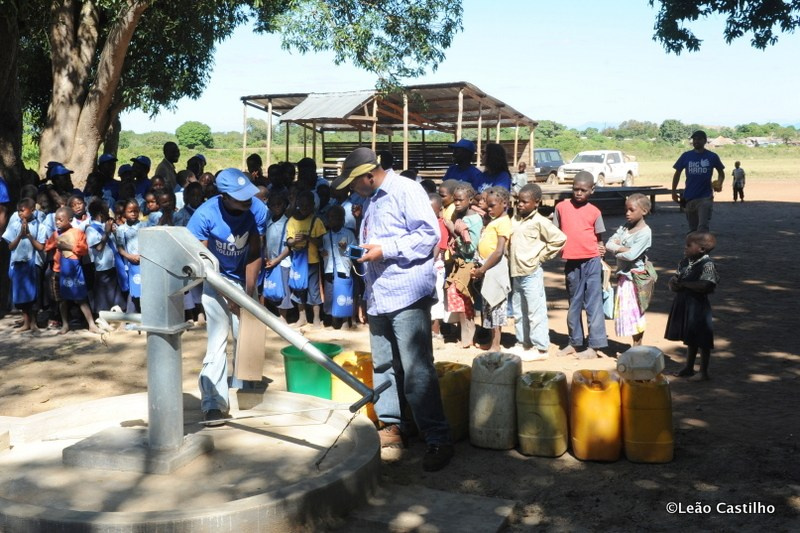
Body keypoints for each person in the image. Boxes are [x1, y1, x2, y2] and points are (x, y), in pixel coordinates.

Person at [332, 147, 454, 472]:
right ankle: (393, 425)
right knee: (384, 364)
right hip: (379, 294)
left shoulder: (406, 190)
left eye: (354, 183)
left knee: (416, 368)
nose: (352, 190)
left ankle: (437, 437)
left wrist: (386, 249)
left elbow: (429, 235)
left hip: (406, 293)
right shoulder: (370, 200)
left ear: (369, 176)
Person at [187, 168, 263, 425]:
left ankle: (246, 391)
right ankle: (213, 403)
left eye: (248, 195)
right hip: (214, 280)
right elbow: (203, 264)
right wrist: (228, 296)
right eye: (240, 197)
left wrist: (248, 296)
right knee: (218, 341)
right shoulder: (204, 216)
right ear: (225, 197)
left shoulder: (255, 210)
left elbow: (254, 254)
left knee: (247, 338)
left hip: (243, 281)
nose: (247, 201)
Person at [507, 184, 566, 361]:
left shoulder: (540, 222)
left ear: (536, 203)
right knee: (519, 311)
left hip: (531, 273)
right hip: (516, 272)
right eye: (518, 201)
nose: (520, 205)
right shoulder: (515, 219)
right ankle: (523, 343)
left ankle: (541, 348)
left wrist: (541, 257)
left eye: (525, 202)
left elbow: (560, 239)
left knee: (535, 311)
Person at [553, 171, 608, 359]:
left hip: (592, 260)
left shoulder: (595, 211)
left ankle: (595, 345)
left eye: (583, 190)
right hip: (571, 261)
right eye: (575, 189)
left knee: (593, 303)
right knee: (574, 303)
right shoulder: (561, 207)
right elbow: (556, 232)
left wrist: (601, 248)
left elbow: (599, 237)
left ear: (592, 190)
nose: (578, 193)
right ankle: (575, 342)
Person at [665, 231, 719, 381]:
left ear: (701, 249)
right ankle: (688, 367)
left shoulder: (707, 265)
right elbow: (676, 279)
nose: (685, 248)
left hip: (698, 306)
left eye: (689, 245)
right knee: (691, 337)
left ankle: (703, 371)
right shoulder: (685, 262)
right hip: (685, 303)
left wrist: (684, 284)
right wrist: (673, 283)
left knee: (703, 339)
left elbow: (707, 285)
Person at [605, 193, 653, 347]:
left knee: (635, 311)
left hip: (635, 278)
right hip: (623, 276)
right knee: (626, 310)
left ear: (644, 211)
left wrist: (618, 248)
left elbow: (631, 255)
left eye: (632, 210)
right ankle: (635, 345)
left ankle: (637, 345)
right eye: (626, 210)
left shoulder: (645, 232)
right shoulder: (625, 227)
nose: (627, 213)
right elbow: (608, 244)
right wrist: (622, 248)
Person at [44, 207, 101, 335]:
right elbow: (47, 246)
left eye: (60, 220)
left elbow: (83, 250)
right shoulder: (56, 234)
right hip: (59, 270)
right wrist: (53, 247)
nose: (57, 222)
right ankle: (65, 324)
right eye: (56, 220)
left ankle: (91, 324)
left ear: (69, 220)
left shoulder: (77, 233)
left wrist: (67, 246)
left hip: (75, 270)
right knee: (62, 300)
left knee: (81, 298)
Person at [471, 186, 511, 352]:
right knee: (488, 305)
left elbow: (499, 251)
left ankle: (496, 344)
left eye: (493, 205)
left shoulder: (503, 222)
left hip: (495, 267)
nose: (489, 208)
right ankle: (490, 340)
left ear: (505, 204)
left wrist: (483, 269)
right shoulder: (493, 221)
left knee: (496, 305)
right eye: (487, 205)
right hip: (487, 267)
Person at [443, 182, 483, 349]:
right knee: (461, 298)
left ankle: (468, 337)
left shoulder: (472, 220)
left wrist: (454, 230)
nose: (457, 203)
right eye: (455, 200)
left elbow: (470, 247)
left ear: (470, 199)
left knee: (460, 296)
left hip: (469, 263)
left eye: (460, 200)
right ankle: (465, 335)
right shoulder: (463, 217)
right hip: (461, 263)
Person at [3, 197, 46, 333]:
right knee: (21, 295)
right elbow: (10, 246)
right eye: (18, 211)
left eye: (22, 210)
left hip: (33, 264)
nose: (20, 213)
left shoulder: (40, 226)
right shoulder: (15, 224)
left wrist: (29, 236)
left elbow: (40, 247)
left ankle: (34, 323)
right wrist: (20, 234)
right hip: (18, 263)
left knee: (34, 294)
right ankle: (26, 322)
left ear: (32, 210)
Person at [671, 130, 725, 232]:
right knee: (693, 229)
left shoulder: (712, 156)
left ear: (705, 141)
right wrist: (673, 192)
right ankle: (694, 247)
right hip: (689, 197)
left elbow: (721, 172)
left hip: (705, 197)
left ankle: (703, 247)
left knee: (702, 227)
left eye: (699, 139)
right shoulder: (686, 156)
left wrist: (720, 182)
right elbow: (677, 173)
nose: (696, 141)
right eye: (694, 139)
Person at [320, 204, 356, 329]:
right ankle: (333, 318)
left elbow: (357, 253)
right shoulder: (325, 236)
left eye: (335, 217)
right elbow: (323, 252)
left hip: (343, 270)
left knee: (344, 295)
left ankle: (345, 320)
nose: (331, 220)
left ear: (342, 219)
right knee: (330, 295)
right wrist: (322, 253)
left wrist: (346, 248)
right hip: (329, 270)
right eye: (329, 217)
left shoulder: (348, 234)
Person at [429, 193, 449, 341]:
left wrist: (429, 261)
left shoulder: (440, 225)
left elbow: (439, 248)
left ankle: (436, 330)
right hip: (426, 265)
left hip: (436, 265)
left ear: (439, 210)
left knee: (437, 297)